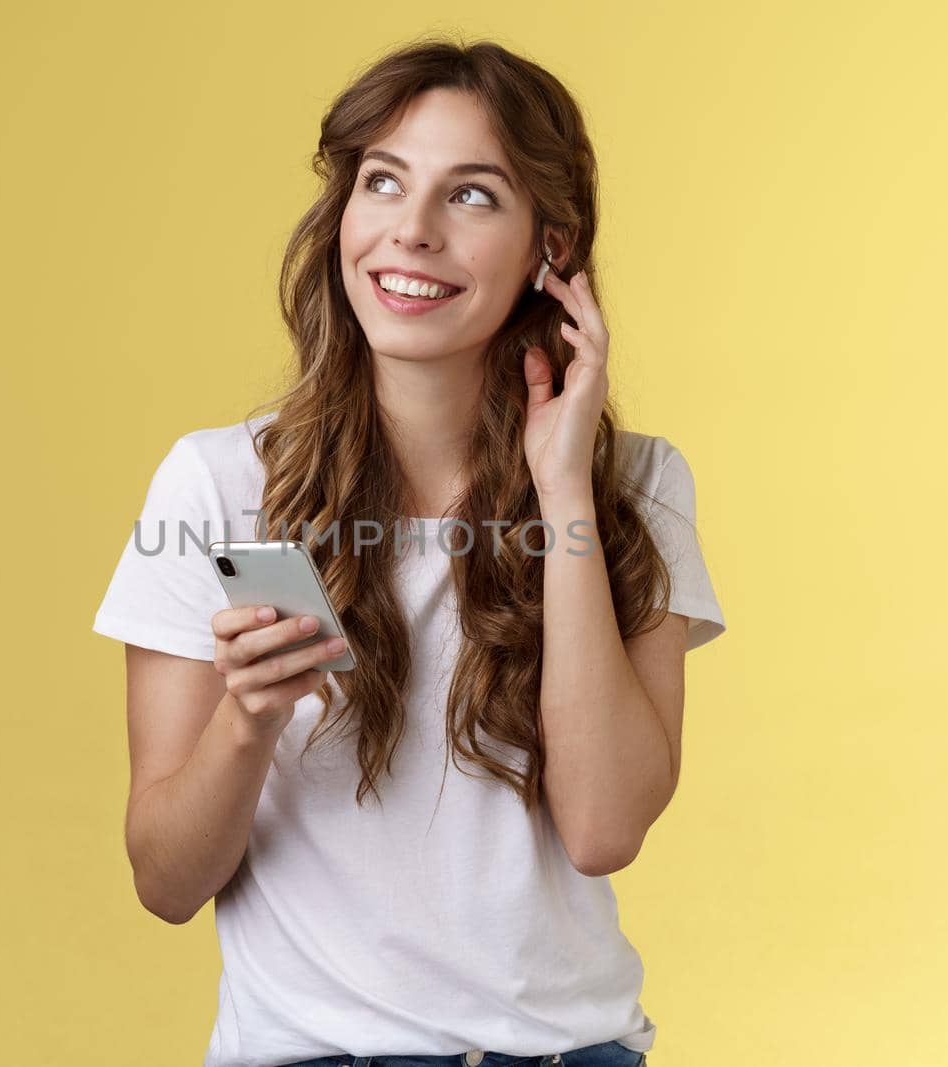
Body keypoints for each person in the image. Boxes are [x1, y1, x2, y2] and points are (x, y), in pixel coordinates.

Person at [92, 38, 727, 1067]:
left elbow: (604, 826)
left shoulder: (634, 488)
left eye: (471, 197)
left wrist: (564, 489)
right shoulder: (220, 486)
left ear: (548, 250)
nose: (411, 232)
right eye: (382, 182)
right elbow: (165, 880)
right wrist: (248, 718)